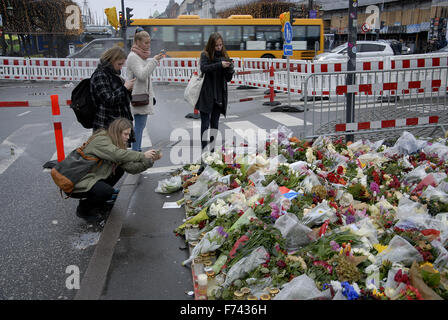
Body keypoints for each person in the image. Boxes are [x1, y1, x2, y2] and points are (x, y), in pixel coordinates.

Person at [70, 118, 162, 222]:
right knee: (107, 191)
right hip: (78, 180)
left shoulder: (117, 144)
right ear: (117, 132)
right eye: (125, 134)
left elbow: (131, 168)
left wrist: (150, 160)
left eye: (129, 134)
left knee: (119, 169)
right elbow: (117, 154)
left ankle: (99, 203)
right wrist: (142, 155)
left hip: (93, 177)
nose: (128, 138)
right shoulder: (101, 139)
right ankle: (83, 209)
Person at [126, 27, 164, 152]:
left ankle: (136, 150)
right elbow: (142, 75)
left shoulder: (139, 55)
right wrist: (154, 61)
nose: (148, 45)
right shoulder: (134, 57)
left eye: (149, 42)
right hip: (138, 96)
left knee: (140, 126)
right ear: (137, 42)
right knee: (139, 126)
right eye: (146, 43)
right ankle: (136, 152)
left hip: (141, 96)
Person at [195, 32, 234, 153]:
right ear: (211, 45)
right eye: (216, 45)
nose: (219, 47)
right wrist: (219, 65)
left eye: (220, 45)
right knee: (205, 123)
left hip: (219, 95)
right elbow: (204, 68)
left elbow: (227, 79)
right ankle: (204, 149)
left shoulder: (224, 56)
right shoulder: (205, 55)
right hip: (206, 94)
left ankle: (212, 150)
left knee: (215, 124)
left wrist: (230, 69)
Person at [90, 46, 136, 142]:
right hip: (106, 125)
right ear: (111, 60)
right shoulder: (100, 75)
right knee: (110, 155)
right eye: (119, 64)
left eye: (122, 64)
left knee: (120, 155)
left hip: (117, 125)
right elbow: (108, 100)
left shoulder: (113, 75)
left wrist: (130, 91)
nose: (121, 67)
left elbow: (121, 98)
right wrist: (124, 88)